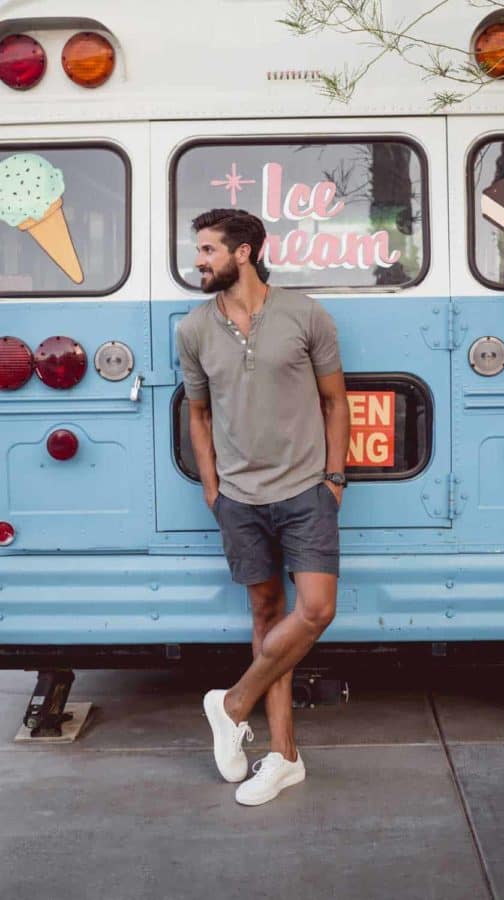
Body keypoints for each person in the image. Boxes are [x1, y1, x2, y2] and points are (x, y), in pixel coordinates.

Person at [176, 208, 350, 806]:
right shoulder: (194, 329)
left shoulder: (305, 314)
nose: (197, 261)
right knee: (266, 618)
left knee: (316, 610)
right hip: (240, 499)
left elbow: (335, 401)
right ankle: (283, 759)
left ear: (243, 252)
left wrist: (334, 477)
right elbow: (197, 412)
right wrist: (211, 487)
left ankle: (230, 704)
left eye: (206, 250)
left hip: (305, 491)